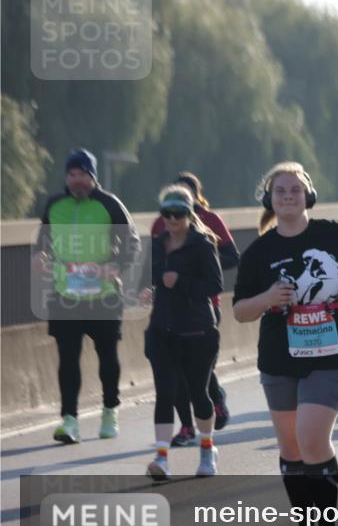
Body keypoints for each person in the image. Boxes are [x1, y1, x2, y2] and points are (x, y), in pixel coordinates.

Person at [233, 161, 338, 526]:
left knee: (312, 438)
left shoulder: (333, 234)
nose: (288, 196)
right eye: (280, 191)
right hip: (280, 357)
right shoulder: (260, 251)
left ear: (308, 194)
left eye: (295, 190)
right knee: (291, 448)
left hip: (331, 353)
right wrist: (267, 300)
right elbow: (241, 311)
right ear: (269, 199)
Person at [31, 148, 142, 445]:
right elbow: (43, 241)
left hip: (103, 295)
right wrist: (40, 257)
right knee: (68, 359)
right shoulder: (55, 204)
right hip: (65, 294)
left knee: (107, 356)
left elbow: (132, 241)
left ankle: (109, 411)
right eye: (71, 175)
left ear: (92, 176)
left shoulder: (109, 204)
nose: (76, 180)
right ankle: (69, 420)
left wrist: (116, 266)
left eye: (81, 174)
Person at [150, 172, 240, 445]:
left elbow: (231, 258)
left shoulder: (210, 224)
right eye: (168, 210)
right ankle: (186, 427)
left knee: (197, 373)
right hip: (168, 314)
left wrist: (191, 272)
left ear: (194, 200)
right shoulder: (158, 229)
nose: (173, 217)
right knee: (175, 375)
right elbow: (156, 271)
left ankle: (214, 400)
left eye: (180, 207)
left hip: (203, 310)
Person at [144, 186, 223, 480]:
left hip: (198, 332)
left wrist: (182, 281)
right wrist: (147, 289)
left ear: (189, 214)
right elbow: (152, 278)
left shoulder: (202, 245)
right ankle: (161, 459)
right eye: (166, 213)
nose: (172, 219)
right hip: (162, 331)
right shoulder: (156, 244)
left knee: (198, 394)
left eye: (178, 213)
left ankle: (207, 449)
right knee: (165, 393)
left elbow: (214, 285)